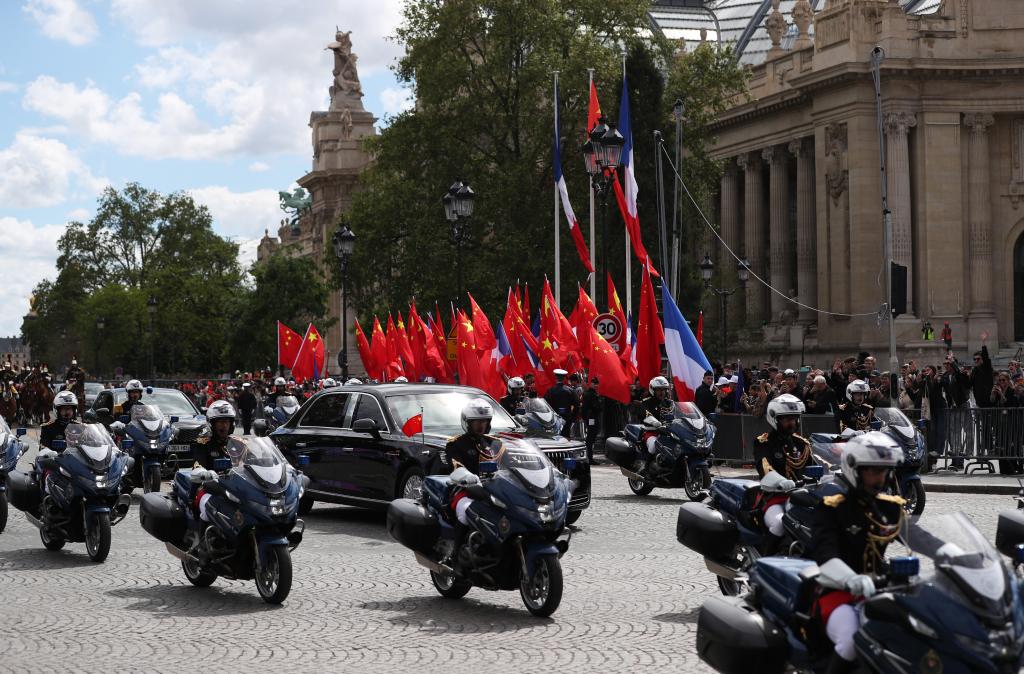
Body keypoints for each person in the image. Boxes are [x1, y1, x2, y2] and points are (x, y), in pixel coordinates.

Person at [806, 432, 905, 672]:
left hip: (880, 592)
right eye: (873, 471)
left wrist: (954, 554)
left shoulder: (889, 507)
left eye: (883, 471)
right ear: (855, 469)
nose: (879, 478)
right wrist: (851, 578)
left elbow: (923, 539)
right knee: (851, 641)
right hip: (837, 592)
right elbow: (825, 556)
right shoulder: (833, 508)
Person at [753, 394, 816, 552]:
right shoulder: (764, 442)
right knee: (780, 523)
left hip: (801, 497)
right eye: (787, 419)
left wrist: (834, 472)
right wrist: (780, 481)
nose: (792, 423)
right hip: (775, 497)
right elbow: (765, 467)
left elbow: (815, 466)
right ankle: (764, 562)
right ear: (775, 419)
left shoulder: (802, 444)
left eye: (794, 419)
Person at [443, 399, 503, 526]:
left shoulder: (497, 443)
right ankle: (458, 545)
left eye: (485, 421)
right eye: (477, 421)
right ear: (468, 422)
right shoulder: (456, 443)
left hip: (497, 490)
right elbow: (456, 465)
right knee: (467, 513)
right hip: (465, 489)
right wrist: (466, 476)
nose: (482, 425)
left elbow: (509, 464)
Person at [191, 400, 235, 471]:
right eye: (220, 422)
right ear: (212, 424)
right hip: (212, 481)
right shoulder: (202, 444)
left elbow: (252, 461)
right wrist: (202, 472)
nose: (224, 425)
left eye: (227, 421)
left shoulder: (237, 443)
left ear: (231, 424)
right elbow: (197, 467)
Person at [543, 369, 577, 436]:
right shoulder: (571, 391)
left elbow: (545, 405)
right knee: (566, 437)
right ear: (564, 378)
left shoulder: (550, 391)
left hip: (554, 419)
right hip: (567, 419)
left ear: (555, 377)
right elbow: (577, 405)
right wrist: (572, 418)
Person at [581, 377, 603, 464]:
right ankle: (589, 458)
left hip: (590, 418)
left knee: (591, 438)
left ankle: (589, 457)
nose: (596, 385)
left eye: (597, 383)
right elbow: (596, 407)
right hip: (592, 418)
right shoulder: (591, 394)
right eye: (594, 383)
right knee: (590, 438)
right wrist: (600, 402)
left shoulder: (589, 393)